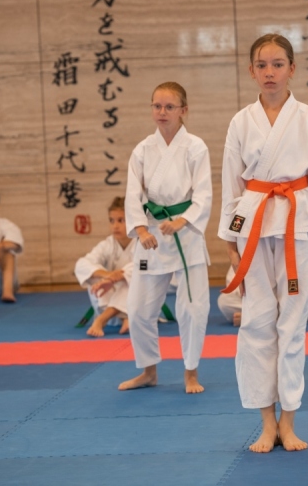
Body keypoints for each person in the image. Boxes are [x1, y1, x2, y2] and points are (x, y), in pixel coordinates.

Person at [219, 34, 308, 453]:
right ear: (251, 71)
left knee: (292, 323)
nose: (270, 72)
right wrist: (229, 238)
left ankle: (289, 421)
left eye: (278, 64)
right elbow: (230, 181)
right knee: (256, 321)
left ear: (292, 69)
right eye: (262, 65)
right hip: (254, 222)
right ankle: (266, 423)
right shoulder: (240, 122)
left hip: (299, 223)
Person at [118, 81, 212, 395]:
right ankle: (148, 371)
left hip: (186, 234)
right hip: (152, 234)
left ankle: (191, 373)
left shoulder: (195, 147)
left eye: (169, 106)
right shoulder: (143, 150)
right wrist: (141, 229)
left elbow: (204, 193)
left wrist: (184, 220)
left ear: (183, 110)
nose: (162, 112)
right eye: (157, 106)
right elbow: (133, 193)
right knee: (138, 308)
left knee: (192, 308)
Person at [75, 197, 135, 337]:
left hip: (134, 303)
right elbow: (82, 264)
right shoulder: (107, 244)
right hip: (110, 299)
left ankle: (102, 319)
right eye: (111, 221)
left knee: (137, 278)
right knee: (94, 278)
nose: (115, 226)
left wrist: (120, 275)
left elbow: (144, 267)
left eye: (121, 220)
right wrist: (107, 276)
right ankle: (124, 318)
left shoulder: (142, 242)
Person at [217, 265, 308, 327]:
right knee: (224, 301)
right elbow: (234, 285)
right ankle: (284, 317)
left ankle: (253, 319)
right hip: (255, 301)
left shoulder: (282, 246)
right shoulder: (245, 248)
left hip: (279, 299)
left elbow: (296, 282)